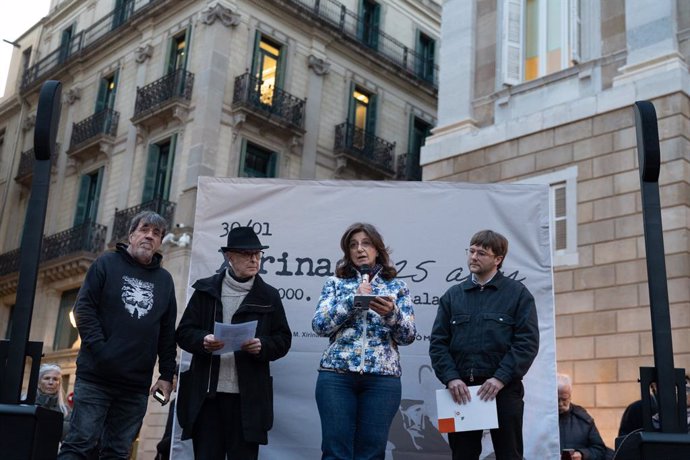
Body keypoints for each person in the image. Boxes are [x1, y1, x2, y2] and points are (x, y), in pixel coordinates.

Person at [58, 211, 177, 459]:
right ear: (132, 235)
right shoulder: (106, 263)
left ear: (160, 243)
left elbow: (167, 331)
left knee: (118, 452)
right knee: (79, 445)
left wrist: (167, 374)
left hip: (135, 386)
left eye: (156, 233)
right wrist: (102, 351)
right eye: (144, 229)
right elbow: (83, 309)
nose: (149, 236)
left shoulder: (165, 281)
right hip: (96, 378)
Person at [176, 226, 292, 460]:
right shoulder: (206, 290)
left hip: (247, 401)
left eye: (257, 254)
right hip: (207, 399)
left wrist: (263, 346)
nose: (254, 259)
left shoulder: (269, 296)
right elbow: (184, 332)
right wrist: (203, 340)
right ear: (229, 257)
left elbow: (283, 339)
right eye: (246, 254)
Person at [429, 229, 539, 460]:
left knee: (509, 455)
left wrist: (500, 378)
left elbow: (527, 343)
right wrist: (451, 378)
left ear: (498, 259)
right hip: (462, 392)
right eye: (471, 251)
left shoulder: (518, 294)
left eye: (482, 253)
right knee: (463, 455)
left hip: (504, 390)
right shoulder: (453, 296)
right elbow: (438, 343)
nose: (473, 257)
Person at [312, 222, 417, 459]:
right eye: (353, 245)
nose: (360, 249)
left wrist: (391, 314)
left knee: (372, 451)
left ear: (378, 249)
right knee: (334, 450)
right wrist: (353, 300)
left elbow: (408, 336)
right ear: (348, 253)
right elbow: (319, 326)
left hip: (382, 379)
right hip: (336, 376)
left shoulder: (397, 287)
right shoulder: (335, 284)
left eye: (366, 243)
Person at [558, 373, 608, 460]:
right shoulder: (542, 418)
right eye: (557, 399)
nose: (560, 404)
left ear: (570, 396)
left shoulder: (583, 418)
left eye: (564, 399)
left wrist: (582, 454)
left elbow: (600, 450)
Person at [35, 363, 71, 440]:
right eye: (47, 378)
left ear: (59, 384)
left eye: (55, 379)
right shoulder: (26, 405)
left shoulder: (66, 411)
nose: (51, 382)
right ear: (38, 382)